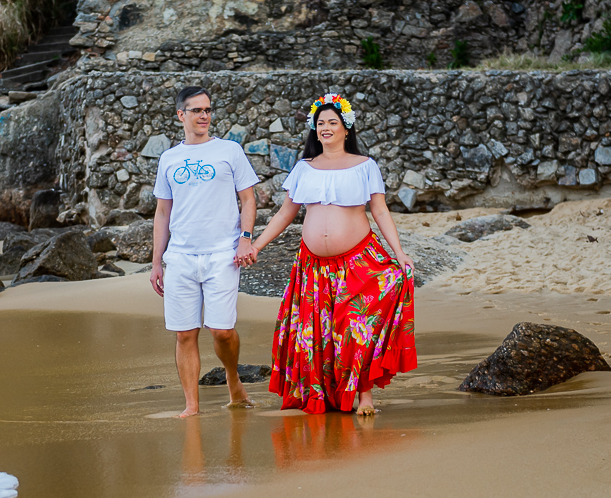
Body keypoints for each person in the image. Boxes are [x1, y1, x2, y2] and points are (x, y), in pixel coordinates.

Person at [238, 93, 417, 416]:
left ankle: (364, 395)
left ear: (346, 128)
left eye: (333, 122)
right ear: (314, 129)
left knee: (355, 327)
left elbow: (380, 210)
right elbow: (285, 213)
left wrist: (399, 253)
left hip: (357, 260)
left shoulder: (365, 166)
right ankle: (322, 393)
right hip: (313, 267)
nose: (326, 128)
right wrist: (256, 245)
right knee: (317, 334)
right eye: (321, 123)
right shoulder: (304, 168)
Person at [149, 86, 260, 418]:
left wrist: (245, 239)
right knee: (185, 334)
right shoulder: (169, 159)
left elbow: (248, 199)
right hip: (180, 257)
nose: (204, 116)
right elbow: (162, 213)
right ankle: (191, 405)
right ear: (180, 115)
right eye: (197, 110)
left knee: (222, 331)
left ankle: (232, 377)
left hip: (222, 254)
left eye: (208, 110)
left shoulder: (229, 150)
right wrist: (156, 262)